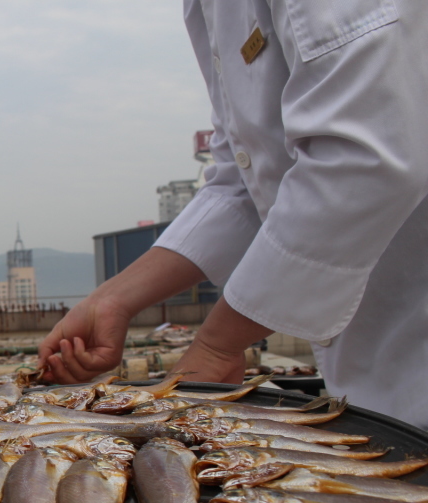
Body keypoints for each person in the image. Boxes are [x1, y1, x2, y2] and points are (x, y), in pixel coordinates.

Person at [39, 1, 428, 427]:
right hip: (378, 383)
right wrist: (112, 299)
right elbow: (243, 181)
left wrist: (217, 346)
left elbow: (365, 159)